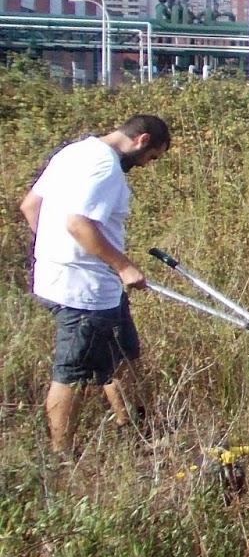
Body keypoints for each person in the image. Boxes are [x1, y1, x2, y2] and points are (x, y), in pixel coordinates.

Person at [18, 114, 172, 456]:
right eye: (152, 157)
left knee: (123, 359)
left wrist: (54, 251)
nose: (148, 165)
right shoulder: (106, 168)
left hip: (93, 286)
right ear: (142, 140)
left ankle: (137, 436)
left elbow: (31, 206)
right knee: (71, 372)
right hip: (82, 291)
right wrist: (123, 266)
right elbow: (77, 223)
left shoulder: (73, 152)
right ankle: (62, 457)